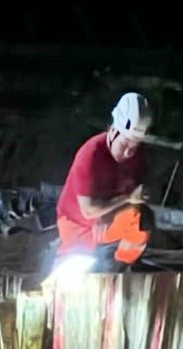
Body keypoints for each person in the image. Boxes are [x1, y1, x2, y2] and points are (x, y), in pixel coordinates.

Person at [55, 92, 155, 270]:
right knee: (73, 274)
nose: (128, 152)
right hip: (77, 225)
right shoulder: (91, 154)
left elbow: (136, 199)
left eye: (134, 146)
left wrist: (111, 213)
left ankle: (122, 266)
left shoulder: (136, 157)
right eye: (125, 144)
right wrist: (125, 200)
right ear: (113, 132)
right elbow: (89, 210)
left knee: (143, 218)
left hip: (105, 221)